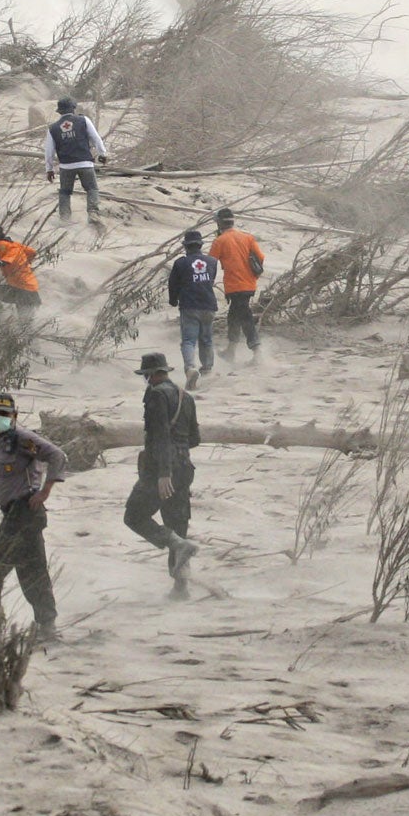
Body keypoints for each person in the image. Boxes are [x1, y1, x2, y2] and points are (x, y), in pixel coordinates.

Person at [0, 393, 69, 642]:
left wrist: (46, 491)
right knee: (32, 570)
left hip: (25, 512)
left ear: (15, 416)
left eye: (5, 414)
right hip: (14, 513)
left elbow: (57, 455)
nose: (0, 418)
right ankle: (47, 627)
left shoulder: (23, 439)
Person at [123, 352, 200, 585]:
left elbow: (161, 435)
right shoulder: (185, 396)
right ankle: (181, 587)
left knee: (134, 515)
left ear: (150, 375)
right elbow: (195, 438)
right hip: (185, 466)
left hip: (160, 469)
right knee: (177, 524)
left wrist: (164, 473)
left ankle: (175, 543)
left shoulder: (156, 395)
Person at [207, 207, 266, 360]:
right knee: (234, 316)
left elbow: (210, 264)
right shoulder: (248, 238)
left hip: (234, 285)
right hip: (250, 283)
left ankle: (256, 350)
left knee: (245, 316)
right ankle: (231, 350)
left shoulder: (219, 241)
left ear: (219, 224)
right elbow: (260, 257)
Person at [43, 97, 108, 222]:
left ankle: (65, 218)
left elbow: (49, 152)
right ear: (73, 108)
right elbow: (96, 138)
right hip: (85, 163)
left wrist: (49, 169)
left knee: (65, 192)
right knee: (92, 189)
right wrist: (103, 154)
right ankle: (93, 213)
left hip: (66, 166)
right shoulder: (83, 120)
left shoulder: (53, 128)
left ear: (59, 111)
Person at [169, 228, 219, 389]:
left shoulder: (180, 263)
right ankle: (207, 370)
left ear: (186, 246)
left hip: (190, 305)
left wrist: (173, 300)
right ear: (200, 245)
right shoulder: (212, 261)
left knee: (189, 341)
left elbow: (173, 284)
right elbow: (210, 281)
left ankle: (190, 368)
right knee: (207, 339)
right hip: (209, 304)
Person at [0, 223, 42, 309]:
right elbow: (32, 252)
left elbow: (13, 254)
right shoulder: (12, 243)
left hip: (23, 291)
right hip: (28, 290)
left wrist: (3, 262)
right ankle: (3, 319)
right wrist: (25, 264)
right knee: (25, 319)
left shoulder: (0, 245)